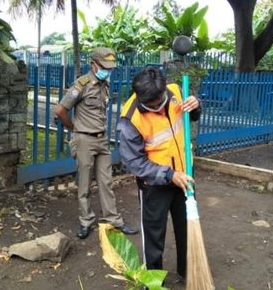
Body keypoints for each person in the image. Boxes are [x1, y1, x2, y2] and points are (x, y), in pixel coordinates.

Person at [117, 67, 201, 280]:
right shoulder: (130, 118)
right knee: (154, 237)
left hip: (185, 176)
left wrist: (196, 105)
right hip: (154, 186)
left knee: (187, 228)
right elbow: (134, 162)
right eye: (152, 106)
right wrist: (168, 174)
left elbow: (192, 117)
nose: (158, 107)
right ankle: (153, 281)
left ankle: (188, 272)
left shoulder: (175, 91)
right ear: (140, 98)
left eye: (160, 101)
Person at [54, 47, 138, 239]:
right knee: (84, 183)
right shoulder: (81, 85)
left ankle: (113, 220)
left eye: (109, 68)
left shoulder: (104, 84)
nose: (108, 71)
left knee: (106, 182)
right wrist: (73, 128)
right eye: (104, 67)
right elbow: (60, 110)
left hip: (101, 140)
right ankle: (86, 221)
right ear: (93, 64)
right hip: (84, 139)